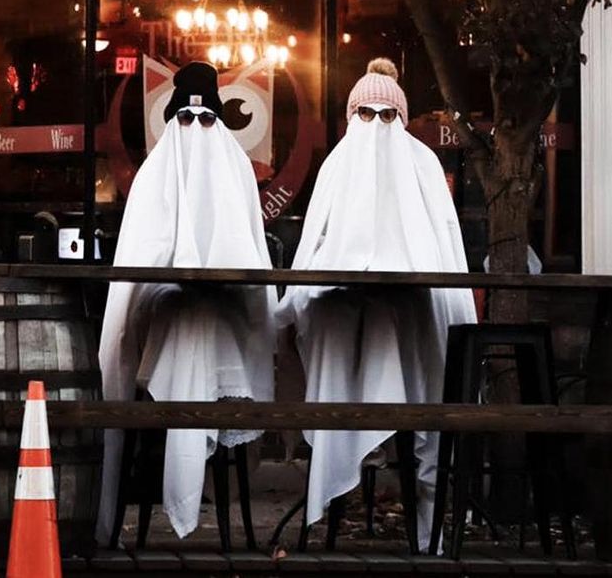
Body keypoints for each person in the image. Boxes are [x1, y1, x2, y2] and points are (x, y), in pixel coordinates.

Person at [278, 58, 476, 551]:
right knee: (339, 346)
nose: (376, 127)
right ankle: (341, 465)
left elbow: (445, 243)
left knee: (410, 365)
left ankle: (420, 515)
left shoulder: (422, 165)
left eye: (388, 117)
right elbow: (315, 244)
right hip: (343, 316)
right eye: (364, 116)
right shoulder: (338, 165)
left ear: (403, 121)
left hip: (410, 319)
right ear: (350, 119)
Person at [96, 61, 277, 542]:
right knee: (177, 330)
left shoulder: (234, 169)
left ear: (219, 122)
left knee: (199, 331)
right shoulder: (157, 174)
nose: (195, 129)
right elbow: (138, 260)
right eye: (185, 119)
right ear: (171, 121)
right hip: (162, 332)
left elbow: (249, 257)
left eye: (206, 119)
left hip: (225, 336)